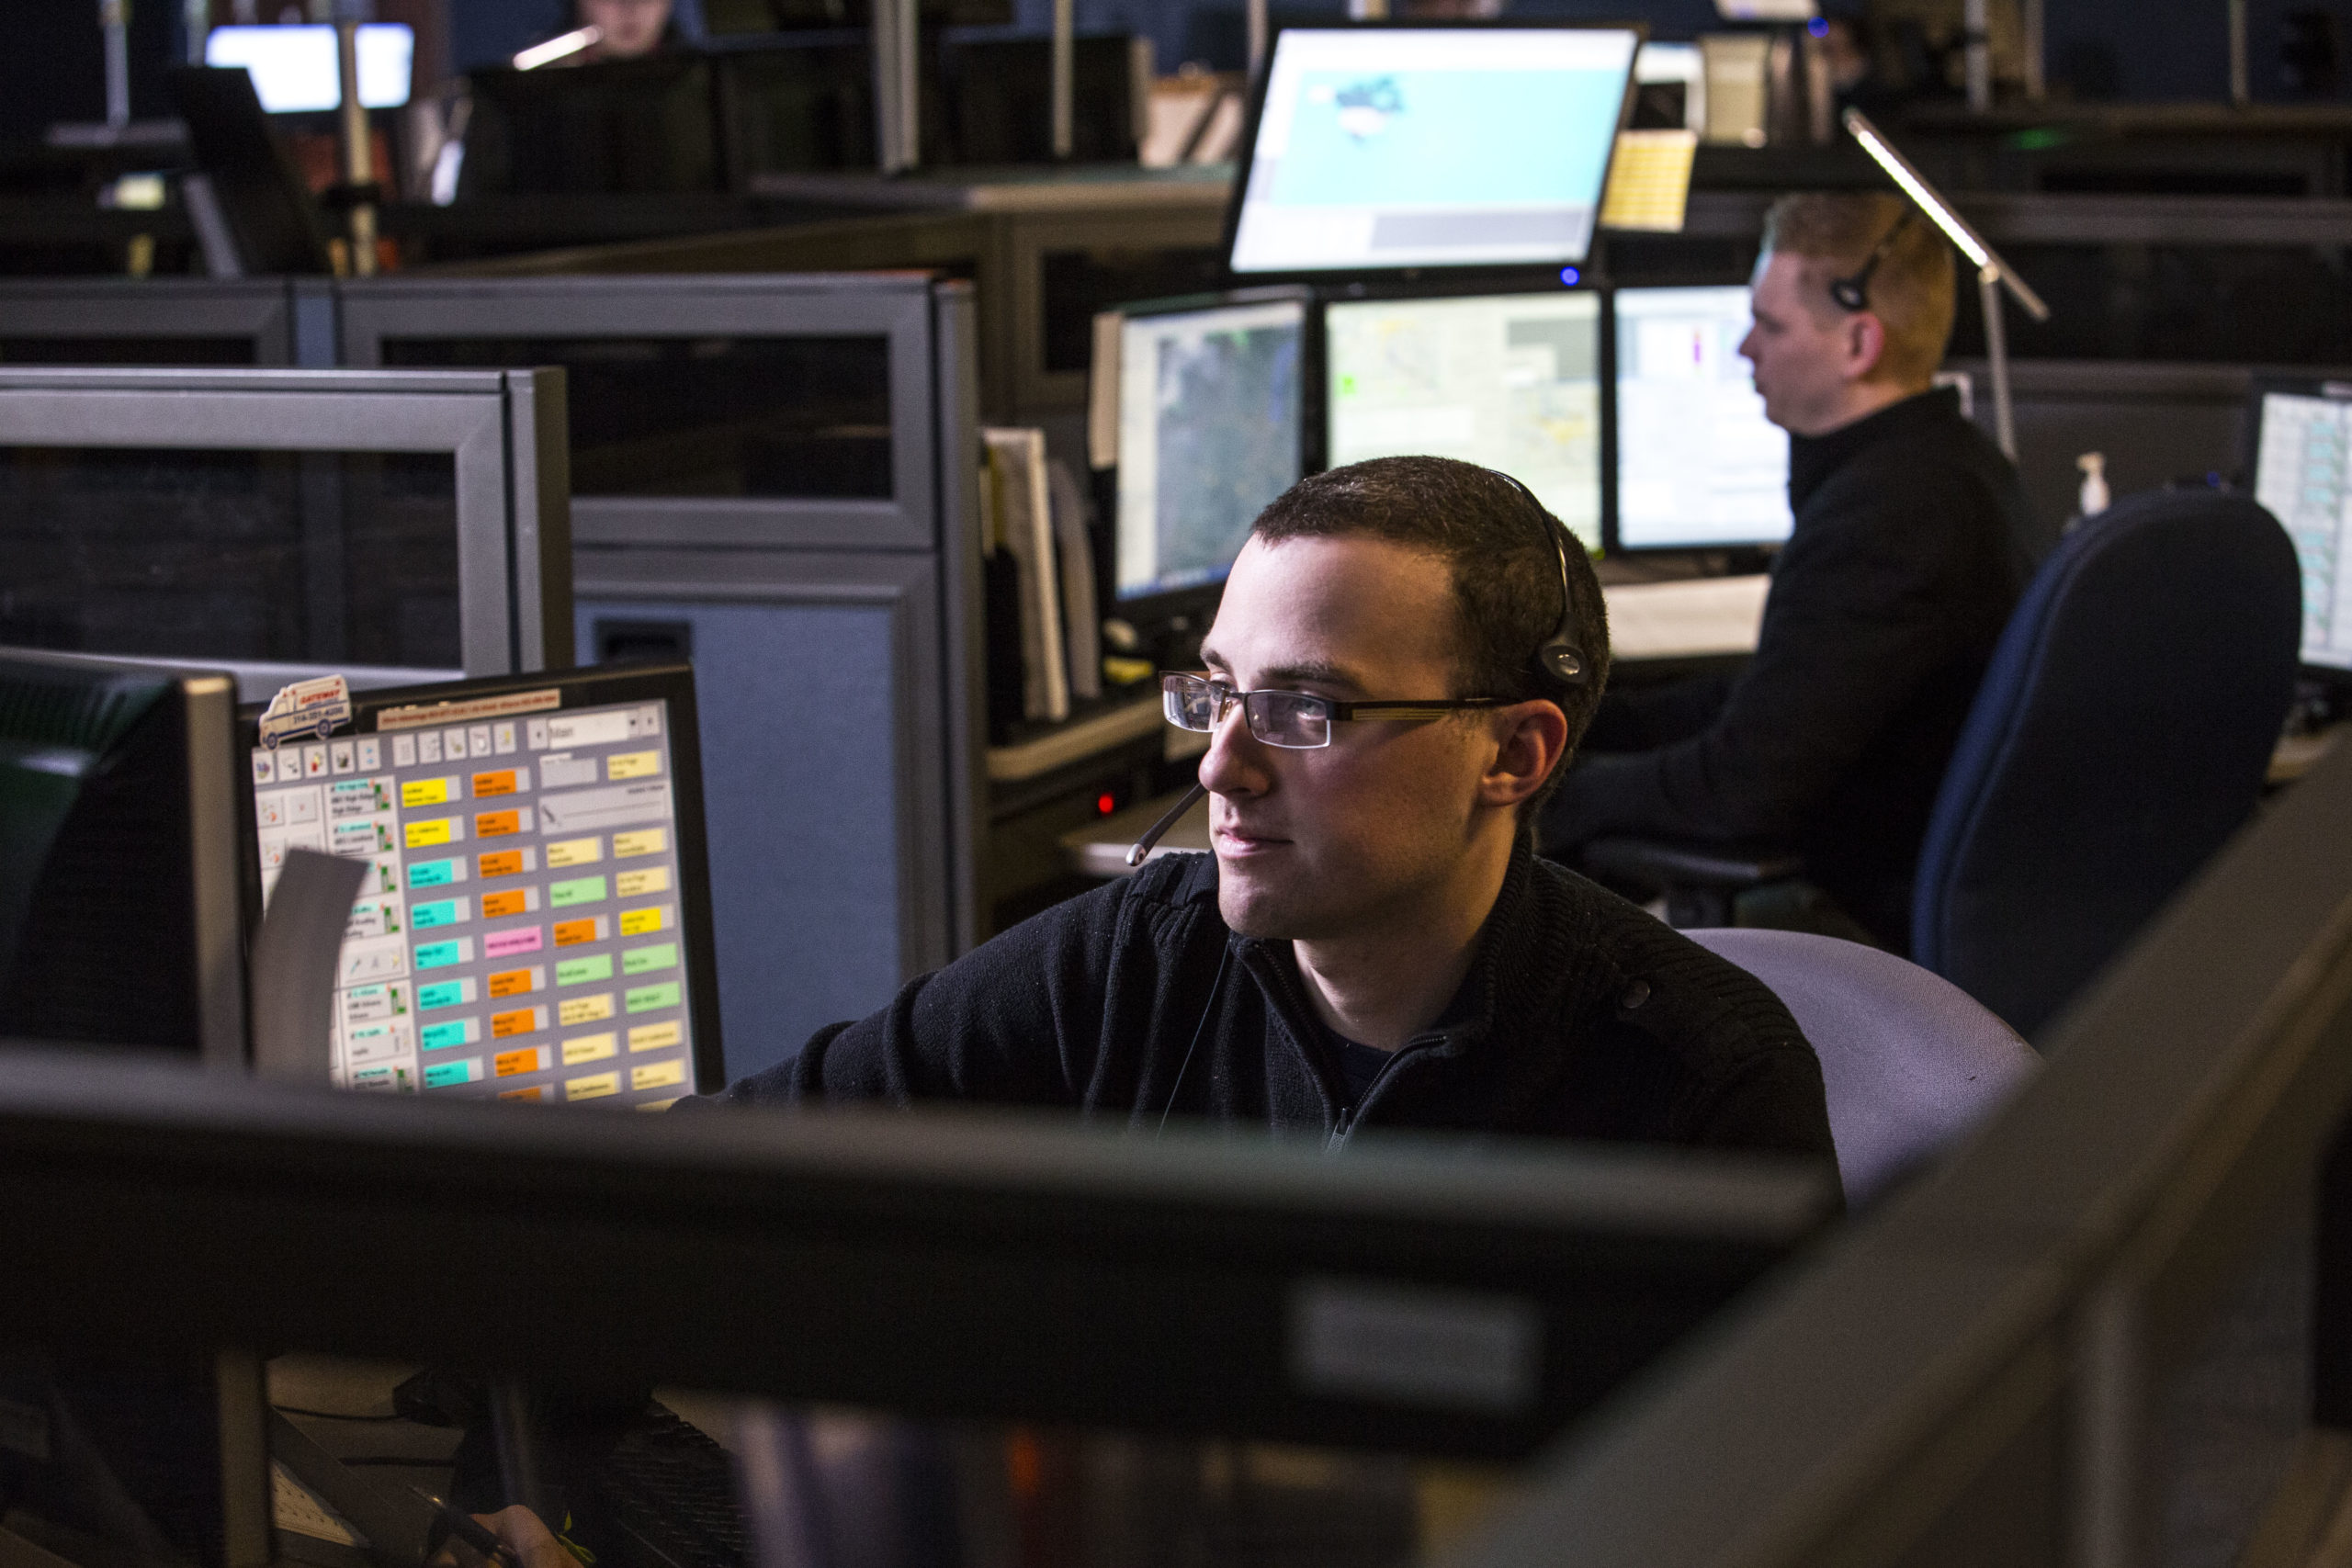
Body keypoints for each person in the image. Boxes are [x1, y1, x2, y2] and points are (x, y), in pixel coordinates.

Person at [696, 456, 1838, 1156]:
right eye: (1217, 693)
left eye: (1305, 710)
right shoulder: (1133, 962)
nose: (1219, 768)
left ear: (1513, 753)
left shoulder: (1698, 1080)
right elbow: (745, 1157)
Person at [1539, 191, 2032, 953]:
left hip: (1863, 913)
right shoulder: (1947, 467)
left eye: (1770, 325)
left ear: (1858, 344)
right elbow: (1777, 703)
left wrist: (1551, 794)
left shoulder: (1890, 513)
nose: (1745, 350)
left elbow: (1746, 788)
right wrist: (1582, 718)